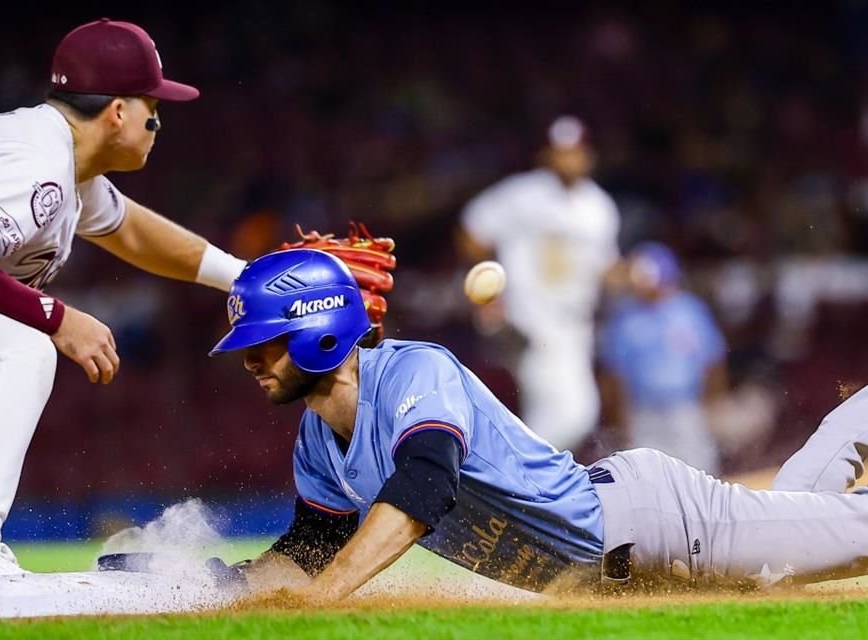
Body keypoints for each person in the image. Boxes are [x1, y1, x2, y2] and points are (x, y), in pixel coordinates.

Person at [197, 248, 867, 602]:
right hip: (621, 574)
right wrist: (216, 589)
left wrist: (326, 598)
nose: (250, 360)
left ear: (319, 330)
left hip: (660, 527)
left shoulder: (412, 372)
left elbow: (424, 486)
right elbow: (306, 555)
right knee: (798, 519)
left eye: (267, 340)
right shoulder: (318, 440)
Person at [0, 18, 250, 580]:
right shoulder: (34, 159)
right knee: (20, 349)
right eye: (152, 106)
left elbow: (135, 232)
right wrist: (57, 317)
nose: (157, 121)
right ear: (117, 111)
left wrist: (242, 276)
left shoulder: (60, 160)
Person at [457, 115, 622, 452]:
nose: (567, 159)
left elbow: (606, 268)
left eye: (574, 151)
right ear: (547, 154)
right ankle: (519, 478)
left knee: (562, 414)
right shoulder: (524, 194)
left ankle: (519, 482)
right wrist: (488, 291)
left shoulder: (599, 207)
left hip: (574, 325)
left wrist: (630, 276)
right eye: (560, 151)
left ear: (588, 155)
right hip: (530, 320)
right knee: (574, 413)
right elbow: (471, 232)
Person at [597, 241, 728, 475]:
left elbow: (713, 362)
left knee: (699, 474)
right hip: (642, 411)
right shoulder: (626, 316)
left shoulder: (689, 310)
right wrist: (619, 418)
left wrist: (711, 406)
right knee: (648, 479)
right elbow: (614, 375)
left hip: (685, 407)